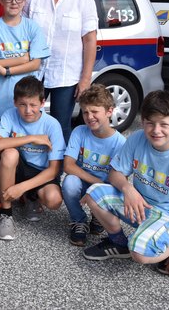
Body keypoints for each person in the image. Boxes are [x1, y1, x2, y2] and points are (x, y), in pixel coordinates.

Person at [82, 91, 169, 276]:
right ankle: (118, 243)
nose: (156, 130)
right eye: (150, 123)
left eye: (164, 124)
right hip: (142, 204)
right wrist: (128, 189)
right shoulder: (137, 138)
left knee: (139, 253)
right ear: (143, 121)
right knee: (93, 194)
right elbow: (115, 173)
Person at [23, 0, 98, 143]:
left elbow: (90, 40)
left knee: (60, 125)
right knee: (28, 121)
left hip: (66, 76)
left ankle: (57, 171)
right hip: (33, 72)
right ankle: (28, 167)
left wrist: (85, 79)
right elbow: (19, 30)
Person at [0, 76, 65, 241]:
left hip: (40, 172)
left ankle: (31, 197)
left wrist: (21, 188)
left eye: (33, 105)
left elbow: (53, 170)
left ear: (42, 102)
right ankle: (6, 214)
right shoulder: (10, 115)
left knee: (54, 200)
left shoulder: (52, 125)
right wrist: (31, 138)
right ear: (15, 102)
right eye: (22, 104)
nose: (28, 110)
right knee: (9, 153)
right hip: (18, 167)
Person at [62, 84, 126, 246]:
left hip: (107, 187)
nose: (89, 117)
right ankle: (79, 221)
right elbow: (68, 166)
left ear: (109, 111)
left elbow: (120, 177)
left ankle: (98, 217)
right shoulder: (79, 132)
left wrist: (99, 188)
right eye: (85, 112)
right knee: (70, 182)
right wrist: (96, 182)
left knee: (110, 190)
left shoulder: (120, 143)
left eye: (95, 111)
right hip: (91, 181)